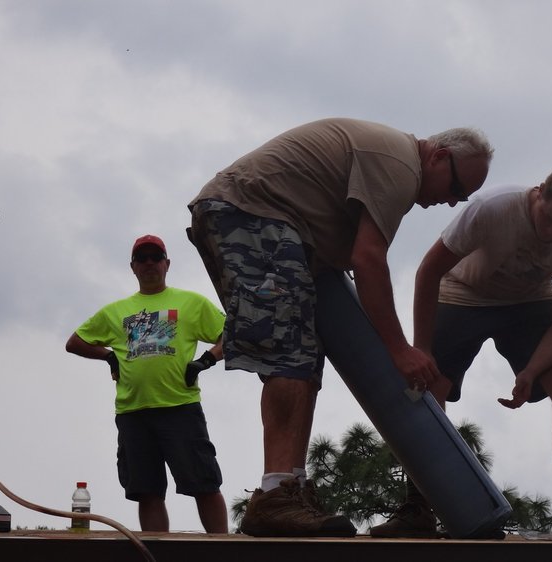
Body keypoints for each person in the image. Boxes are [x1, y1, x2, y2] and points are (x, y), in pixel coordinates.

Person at [188, 117, 493, 537]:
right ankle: (276, 494)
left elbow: (354, 256)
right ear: (439, 157)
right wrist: (399, 349)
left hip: (261, 219)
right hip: (252, 213)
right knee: (289, 352)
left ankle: (289, 487)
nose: (454, 201)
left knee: (304, 356)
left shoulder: (395, 161)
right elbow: (369, 260)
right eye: (457, 189)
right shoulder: (402, 167)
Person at [371, 159, 552, 540]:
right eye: (548, 219)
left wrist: (531, 371)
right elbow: (429, 271)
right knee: (428, 382)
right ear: (541, 189)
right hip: (464, 290)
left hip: (530, 300)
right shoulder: (493, 207)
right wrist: (422, 348)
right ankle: (418, 506)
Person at [66, 235, 229, 534]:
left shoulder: (191, 302)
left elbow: (231, 334)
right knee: (147, 491)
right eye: (143, 258)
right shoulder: (116, 311)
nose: (150, 263)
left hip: (180, 408)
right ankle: (157, 554)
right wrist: (108, 356)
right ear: (133, 267)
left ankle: (224, 550)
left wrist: (206, 360)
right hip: (133, 412)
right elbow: (75, 342)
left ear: (168, 264)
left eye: (156, 257)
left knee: (205, 483)